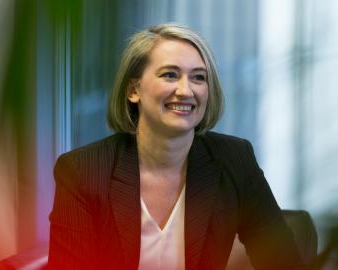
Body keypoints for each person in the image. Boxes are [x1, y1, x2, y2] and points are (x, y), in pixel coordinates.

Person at [48, 23, 306, 270]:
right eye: (170, 75)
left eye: (198, 78)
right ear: (134, 90)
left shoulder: (234, 159)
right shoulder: (83, 170)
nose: (186, 90)